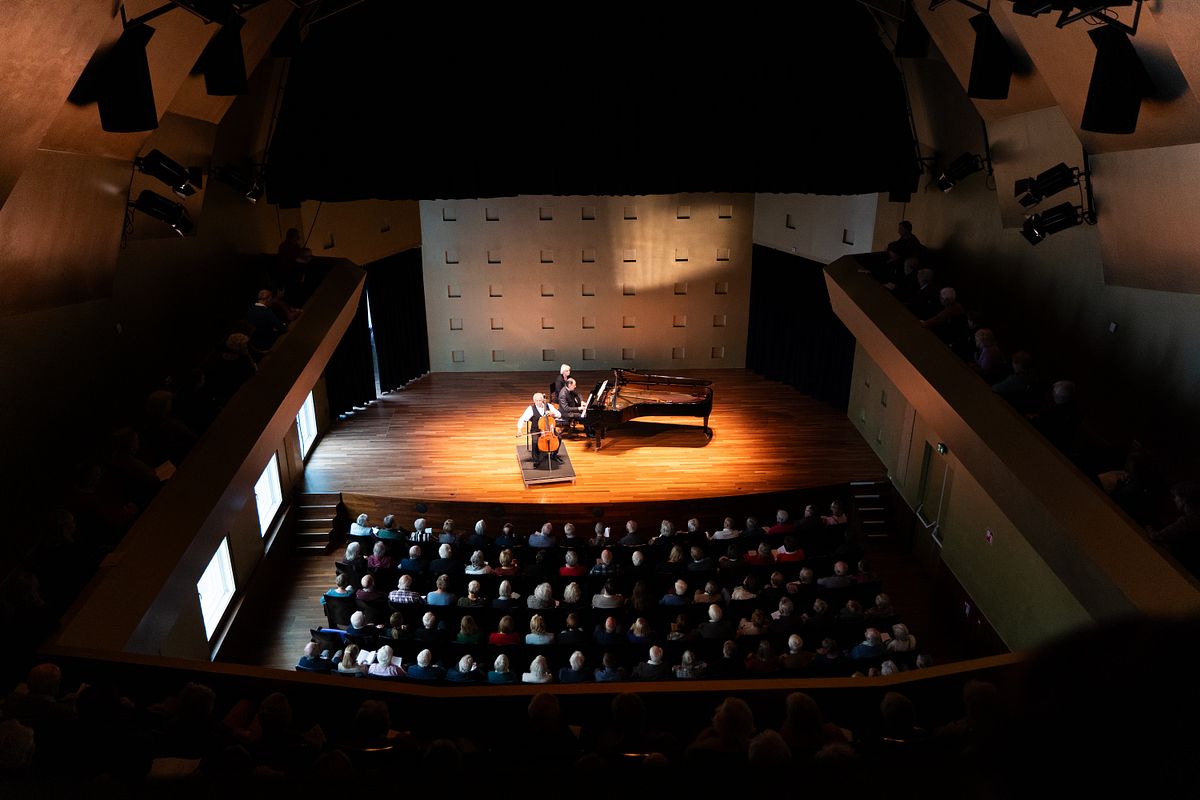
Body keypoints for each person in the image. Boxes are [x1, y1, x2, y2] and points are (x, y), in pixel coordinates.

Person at [517, 392, 563, 466]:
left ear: (543, 400)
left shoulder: (549, 406)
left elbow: (559, 414)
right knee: (535, 441)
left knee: (559, 438)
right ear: (534, 401)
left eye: (540, 400)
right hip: (536, 429)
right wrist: (519, 429)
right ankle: (536, 460)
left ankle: (554, 455)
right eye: (537, 401)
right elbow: (522, 419)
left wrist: (553, 414)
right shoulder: (531, 409)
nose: (538, 402)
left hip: (549, 429)